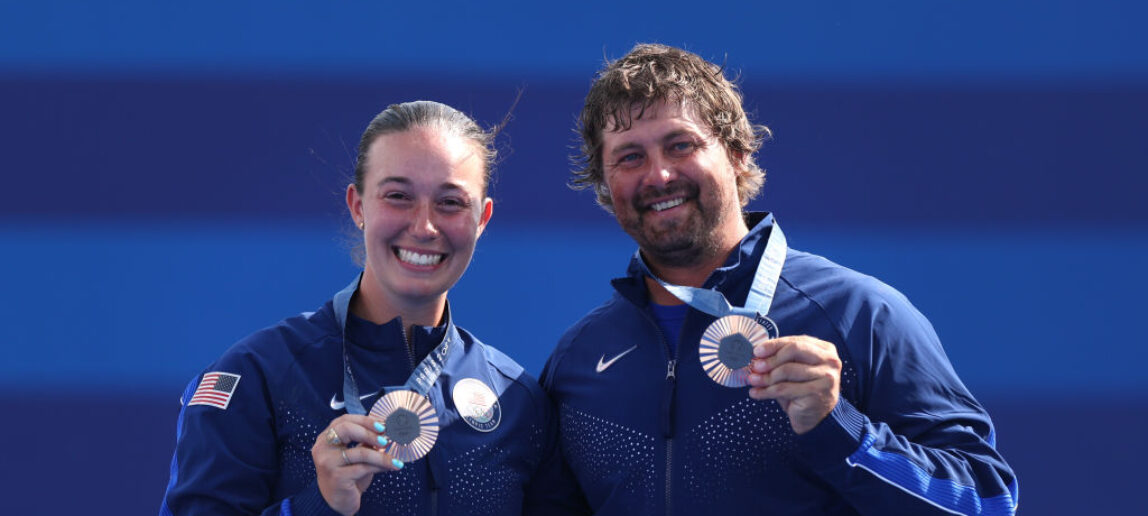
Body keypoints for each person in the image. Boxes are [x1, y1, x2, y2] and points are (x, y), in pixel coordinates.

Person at [540, 44, 1019, 515]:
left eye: (680, 145)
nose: (659, 175)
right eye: (629, 158)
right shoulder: (578, 359)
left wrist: (841, 430)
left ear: (737, 154)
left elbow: (989, 502)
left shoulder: (860, 316)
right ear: (604, 186)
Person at [160, 100, 561, 515]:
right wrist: (318, 505)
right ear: (358, 206)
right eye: (398, 196)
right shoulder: (258, 377)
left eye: (451, 202)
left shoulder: (519, 403)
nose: (424, 226)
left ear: (482, 219)